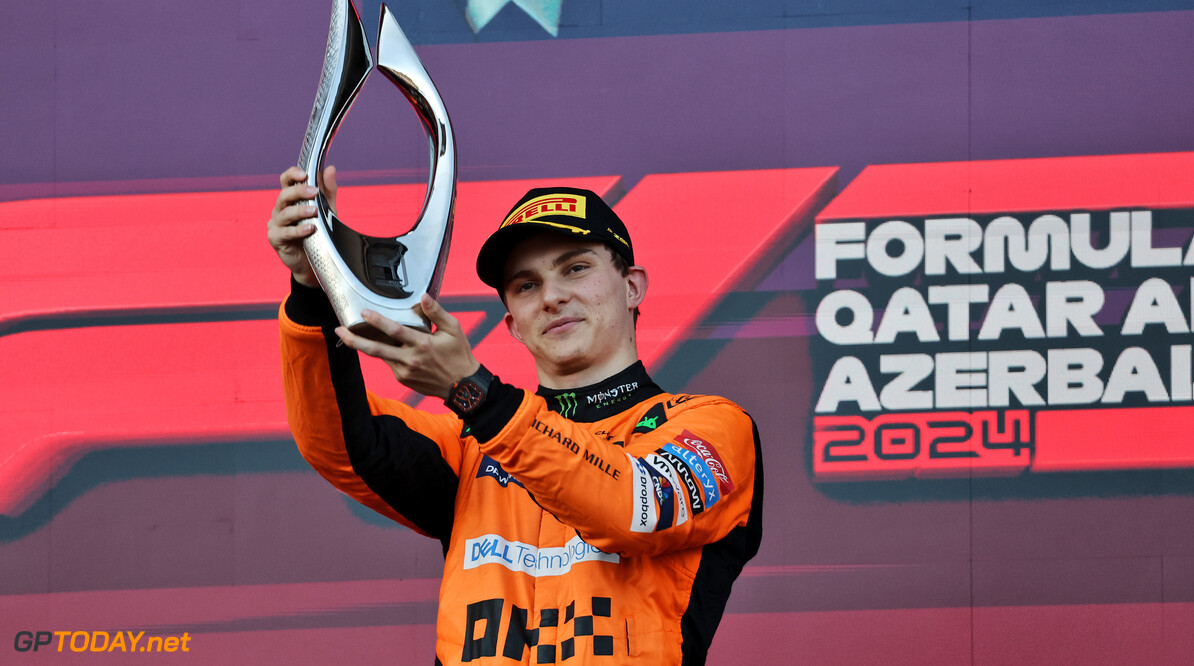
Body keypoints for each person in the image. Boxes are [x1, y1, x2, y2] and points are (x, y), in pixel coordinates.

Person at [268, 166, 763, 665]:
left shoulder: (712, 426)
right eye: (526, 286)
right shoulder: (469, 445)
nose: (551, 297)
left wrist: (475, 394)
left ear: (632, 287)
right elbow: (341, 442)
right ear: (512, 325)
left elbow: (631, 510)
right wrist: (313, 288)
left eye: (576, 268)